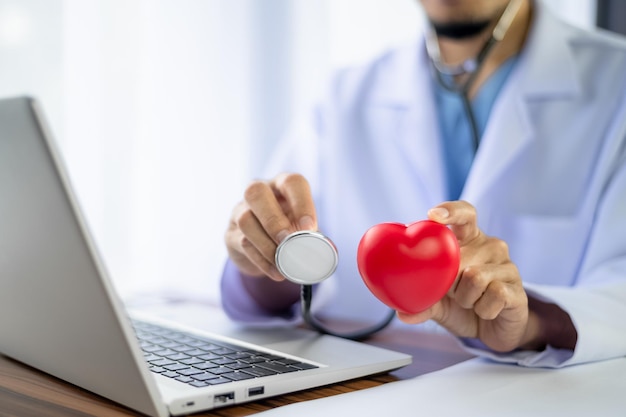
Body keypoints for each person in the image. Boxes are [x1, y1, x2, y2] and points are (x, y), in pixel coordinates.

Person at [220, 0, 626, 368]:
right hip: (356, 397)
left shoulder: (616, 85)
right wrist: (263, 257)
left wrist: (531, 323)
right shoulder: (344, 95)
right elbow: (272, 275)